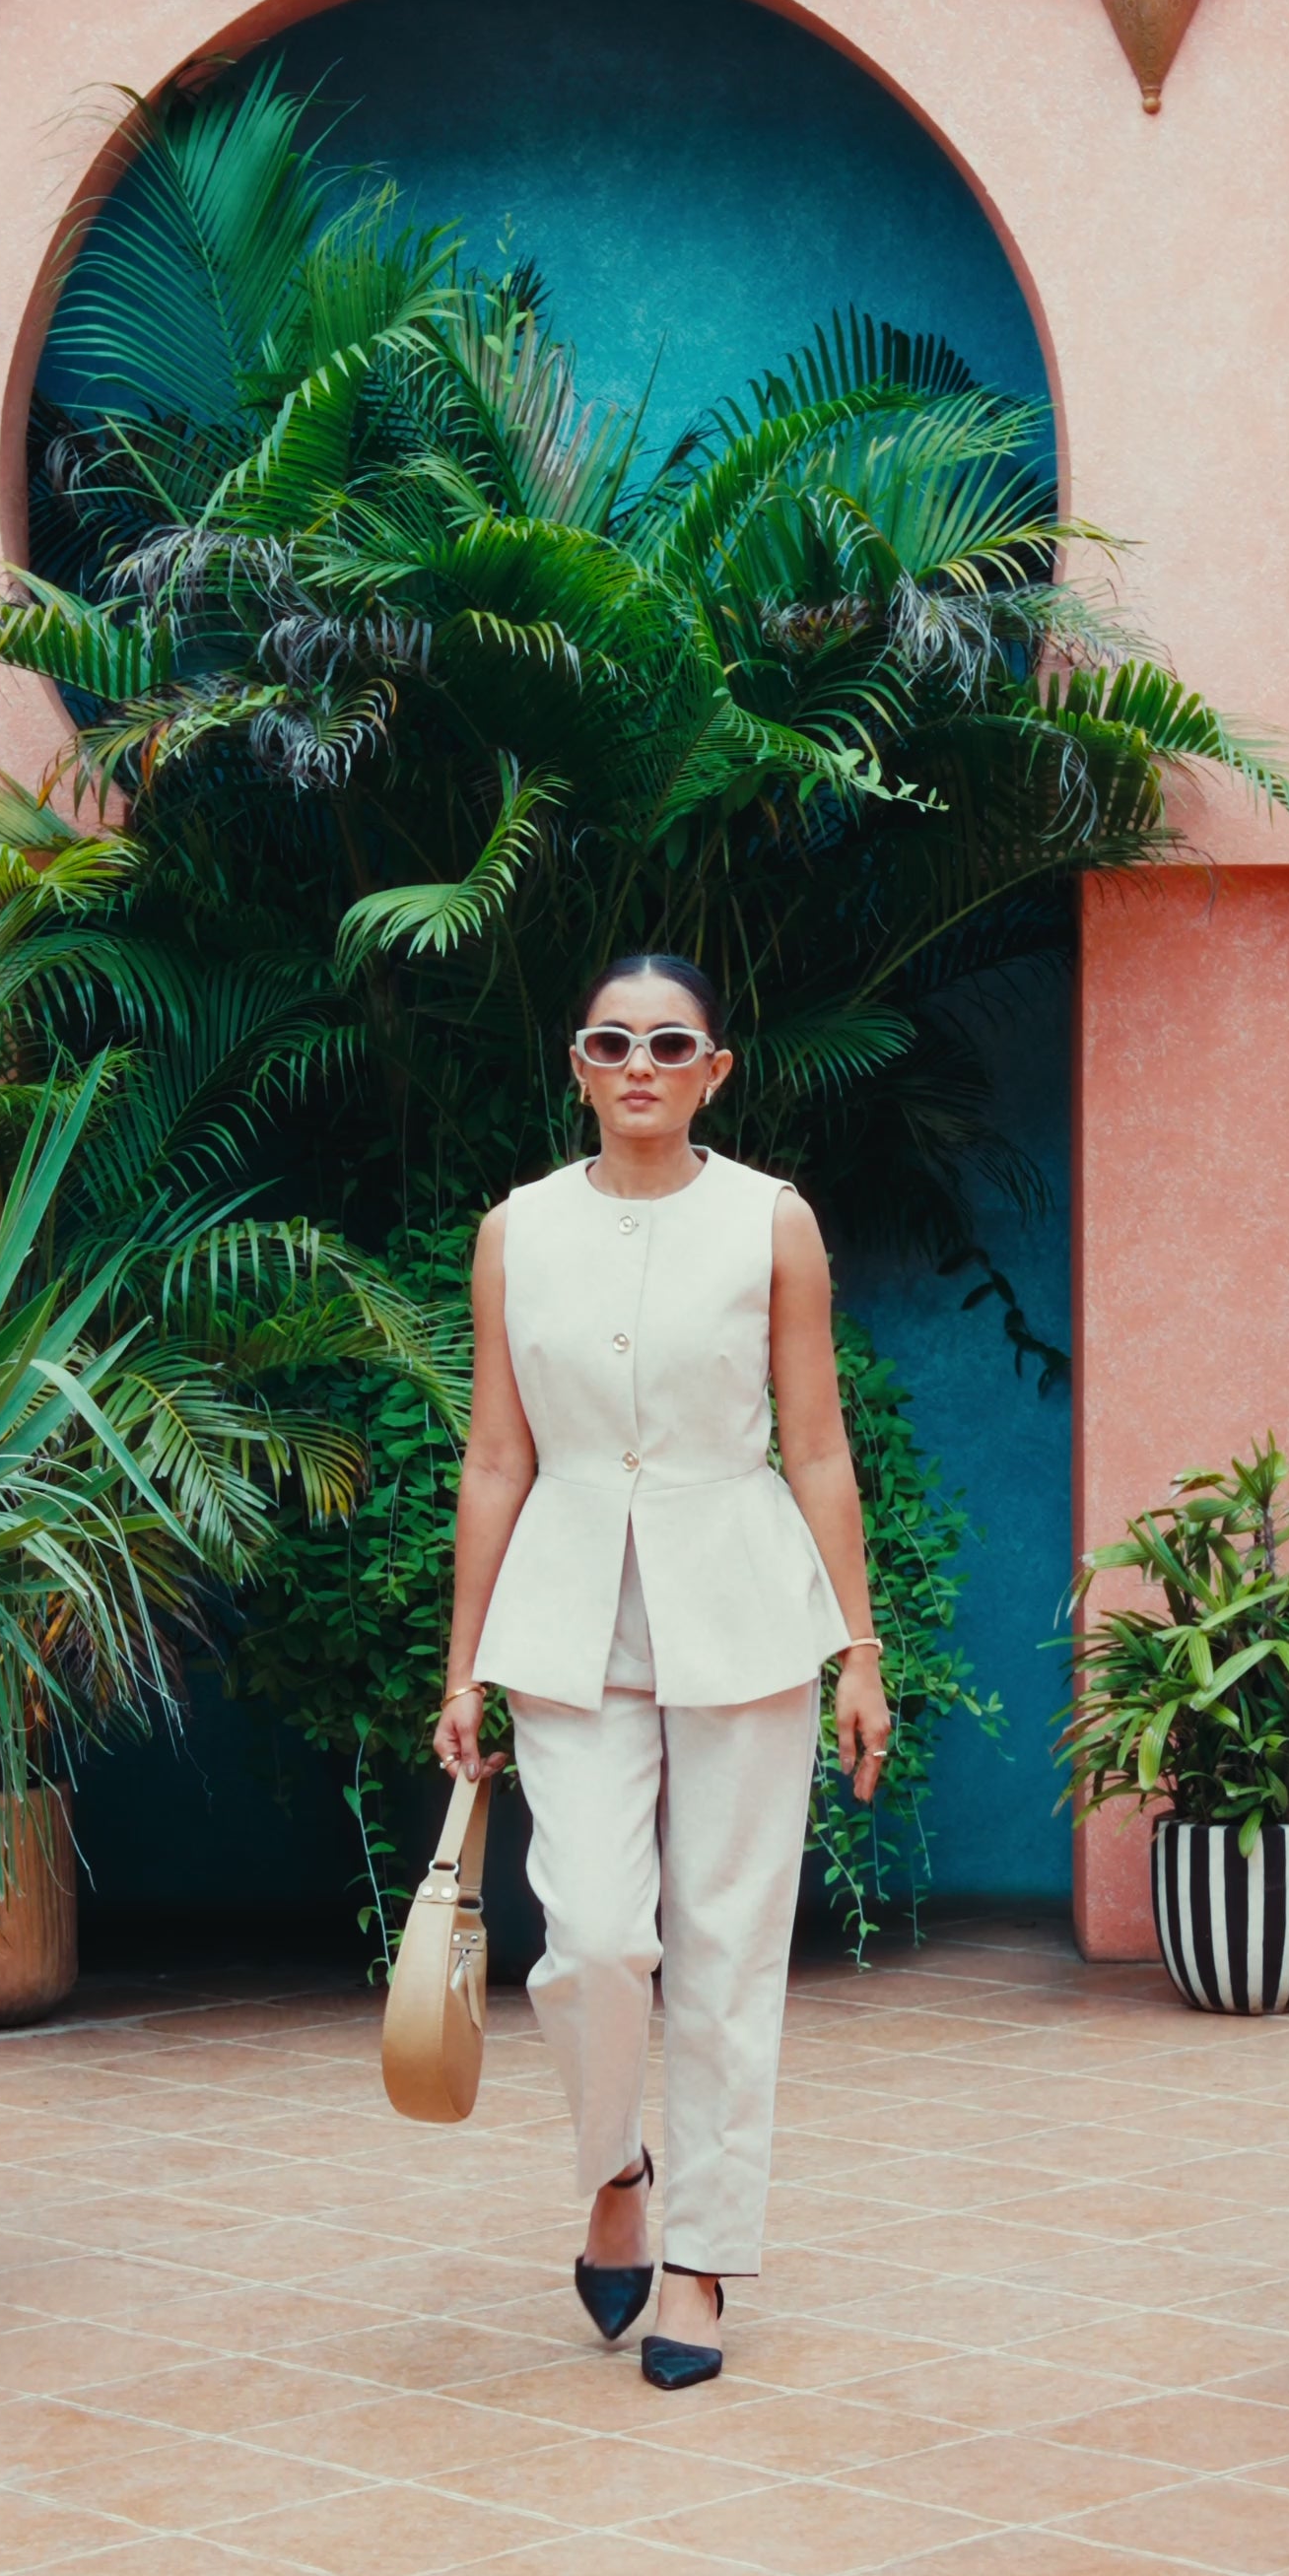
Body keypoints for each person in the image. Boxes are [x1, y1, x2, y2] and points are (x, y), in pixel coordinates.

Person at [433, 953, 892, 2387]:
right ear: (578, 1065)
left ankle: (700, 2259)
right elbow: (495, 1455)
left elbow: (817, 1444)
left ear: (714, 1071)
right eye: (612, 1041)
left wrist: (860, 1647)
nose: (641, 1064)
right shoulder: (517, 1231)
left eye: (670, 1044)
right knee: (589, 1937)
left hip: (744, 1607)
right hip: (569, 1616)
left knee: (729, 1943)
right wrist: (463, 1668)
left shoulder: (772, 1222)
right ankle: (617, 2166)